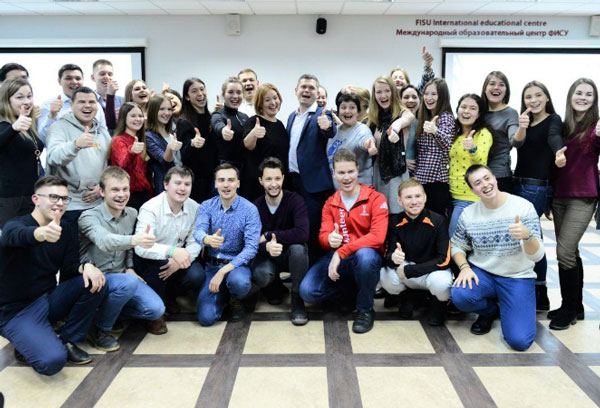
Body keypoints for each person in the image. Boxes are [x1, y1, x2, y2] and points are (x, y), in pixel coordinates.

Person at [0, 176, 107, 375]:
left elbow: (69, 267)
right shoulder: (16, 224)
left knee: (97, 281)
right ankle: (26, 342)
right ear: (36, 199)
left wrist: (87, 266)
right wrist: (40, 234)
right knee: (52, 362)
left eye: (64, 199)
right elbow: (12, 236)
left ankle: (68, 340)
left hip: (48, 298)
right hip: (17, 310)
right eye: (53, 197)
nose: (59, 203)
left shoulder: (66, 228)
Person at [451, 165, 543, 351]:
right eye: (478, 183)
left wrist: (527, 236)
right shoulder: (468, 214)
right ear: (472, 190)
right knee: (460, 295)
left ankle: (513, 304)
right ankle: (490, 311)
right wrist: (465, 268)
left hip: (517, 276)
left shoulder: (523, 207)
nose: (485, 185)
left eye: (487, 178)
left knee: (519, 341)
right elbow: (457, 246)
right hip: (484, 273)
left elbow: (538, 255)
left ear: (495, 178)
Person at [299, 149, 388, 334]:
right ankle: (350, 292)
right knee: (307, 291)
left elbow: (378, 237)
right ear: (334, 174)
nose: (346, 177)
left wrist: (341, 251)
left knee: (365, 256)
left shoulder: (375, 198)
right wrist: (329, 239)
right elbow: (322, 237)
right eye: (341, 172)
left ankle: (365, 309)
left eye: (350, 172)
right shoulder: (330, 202)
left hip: (364, 257)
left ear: (358, 170)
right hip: (339, 259)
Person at [78, 167, 165, 350]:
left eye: (125, 189)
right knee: (127, 283)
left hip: (123, 275)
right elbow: (105, 241)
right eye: (115, 190)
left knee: (156, 309)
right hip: (95, 278)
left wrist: (130, 267)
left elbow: (129, 249)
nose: (121, 195)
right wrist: (136, 240)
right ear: (102, 192)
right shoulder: (88, 216)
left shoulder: (132, 213)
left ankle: (107, 313)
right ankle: (100, 329)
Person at [549, 78, 600, 330]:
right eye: (579, 93)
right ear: (571, 95)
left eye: (589, 94)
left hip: (584, 195)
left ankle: (568, 309)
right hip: (560, 194)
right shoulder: (563, 124)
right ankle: (575, 305)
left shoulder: (596, 125)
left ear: (594, 100)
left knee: (564, 252)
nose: (583, 98)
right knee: (571, 252)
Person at [513, 81, 564, 312]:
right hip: (518, 183)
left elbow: (554, 137)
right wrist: (522, 126)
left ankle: (540, 291)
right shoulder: (525, 121)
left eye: (538, 95)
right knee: (526, 237)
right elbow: (517, 143)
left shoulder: (553, 119)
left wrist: (559, 152)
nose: (533, 100)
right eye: (528, 97)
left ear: (546, 98)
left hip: (536, 187)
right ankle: (534, 290)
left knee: (531, 237)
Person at [134, 166, 204, 333]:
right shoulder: (150, 208)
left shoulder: (195, 207)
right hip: (152, 257)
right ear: (166, 185)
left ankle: (169, 298)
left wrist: (180, 260)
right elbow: (141, 247)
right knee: (160, 265)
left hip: (179, 256)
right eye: (177, 183)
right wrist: (171, 252)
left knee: (197, 275)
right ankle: (154, 315)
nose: (182, 188)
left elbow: (195, 241)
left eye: (187, 184)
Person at [194, 163, 261, 326]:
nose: (226, 185)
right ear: (215, 184)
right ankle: (223, 294)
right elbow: (198, 231)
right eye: (221, 180)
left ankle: (236, 298)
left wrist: (223, 271)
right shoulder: (206, 206)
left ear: (238, 183)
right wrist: (207, 239)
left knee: (239, 283)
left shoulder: (249, 209)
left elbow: (251, 248)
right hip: (212, 265)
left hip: (237, 266)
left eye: (231, 180)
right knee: (206, 318)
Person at [380, 178, 451, 326]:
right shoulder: (394, 222)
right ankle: (408, 296)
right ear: (399, 201)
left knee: (441, 284)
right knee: (385, 276)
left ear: (425, 197)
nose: (414, 202)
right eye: (408, 197)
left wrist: (410, 270)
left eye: (418, 196)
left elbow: (444, 259)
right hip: (407, 270)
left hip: (430, 270)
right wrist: (393, 258)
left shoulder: (439, 220)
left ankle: (438, 303)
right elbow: (388, 254)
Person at [46, 86, 111, 247]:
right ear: (72, 105)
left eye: (91, 102)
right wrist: (75, 145)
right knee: (73, 256)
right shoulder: (59, 127)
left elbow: (110, 164)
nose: (87, 106)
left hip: (98, 204)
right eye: (82, 102)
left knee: (97, 253)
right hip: (71, 206)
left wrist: (103, 187)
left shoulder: (102, 130)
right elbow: (53, 157)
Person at [252, 157, 310, 325]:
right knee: (263, 278)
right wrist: (266, 247)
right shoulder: (255, 207)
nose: (273, 184)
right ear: (261, 181)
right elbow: (252, 241)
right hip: (268, 256)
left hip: (290, 256)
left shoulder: (295, 200)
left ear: (283, 178)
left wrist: (269, 235)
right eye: (268, 179)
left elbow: (302, 234)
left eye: (277, 178)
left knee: (299, 249)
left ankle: (297, 299)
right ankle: (275, 286)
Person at [286, 74, 336, 262]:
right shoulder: (292, 116)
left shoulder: (323, 114)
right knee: (296, 227)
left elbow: (330, 130)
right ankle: (300, 267)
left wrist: (327, 126)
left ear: (317, 93)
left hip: (313, 186)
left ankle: (316, 271)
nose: (307, 91)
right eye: (303, 87)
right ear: (296, 91)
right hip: (293, 182)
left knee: (314, 230)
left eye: (311, 88)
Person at [367, 75, 414, 216]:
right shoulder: (374, 118)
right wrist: (370, 147)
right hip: (377, 172)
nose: (383, 95)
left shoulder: (403, 113)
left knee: (397, 214)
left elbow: (408, 118)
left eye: (387, 91)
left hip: (396, 173)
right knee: (379, 214)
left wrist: (395, 128)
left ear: (393, 92)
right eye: (379, 92)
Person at [0, 78, 44, 227]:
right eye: (20, 97)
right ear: (7, 100)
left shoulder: (27, 125)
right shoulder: (5, 126)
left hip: (31, 195)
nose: (27, 101)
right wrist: (13, 129)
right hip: (9, 199)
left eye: (29, 96)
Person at [448, 94, 493, 236]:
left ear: (479, 114)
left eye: (472, 108)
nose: (466, 111)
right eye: (463, 107)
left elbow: (481, 162)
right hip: (451, 195)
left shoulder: (483, 134)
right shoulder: (455, 134)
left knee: (454, 240)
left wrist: (473, 148)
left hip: (468, 197)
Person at [242, 83, 289, 201]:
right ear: (260, 104)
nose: (273, 103)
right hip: (258, 184)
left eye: (275, 98)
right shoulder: (254, 121)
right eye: (267, 100)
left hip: (278, 183)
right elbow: (248, 145)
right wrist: (254, 134)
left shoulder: (280, 124)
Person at [415, 78, 454, 217]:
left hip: (437, 182)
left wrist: (435, 130)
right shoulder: (424, 116)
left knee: (436, 221)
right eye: (426, 94)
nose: (428, 98)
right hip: (421, 179)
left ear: (442, 96)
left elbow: (449, 145)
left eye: (434, 94)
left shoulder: (446, 117)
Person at [38, 64, 106, 142]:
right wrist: (52, 115)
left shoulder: (95, 105)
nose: (74, 82)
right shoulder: (48, 105)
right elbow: (42, 139)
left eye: (78, 78)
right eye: (68, 78)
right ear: (59, 81)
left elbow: (104, 135)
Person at [176, 77, 217, 203]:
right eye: (194, 91)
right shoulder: (184, 121)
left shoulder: (212, 117)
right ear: (187, 97)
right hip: (197, 181)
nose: (200, 94)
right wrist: (192, 144)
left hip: (214, 177)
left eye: (202, 89)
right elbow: (182, 155)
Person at [108, 102, 152, 210]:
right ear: (124, 118)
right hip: (127, 196)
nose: (138, 119)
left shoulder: (141, 139)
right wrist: (132, 152)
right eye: (133, 116)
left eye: (140, 116)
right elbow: (122, 165)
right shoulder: (119, 140)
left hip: (144, 195)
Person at [327, 93, 376, 188]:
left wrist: (370, 145)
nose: (347, 111)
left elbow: (365, 140)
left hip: (361, 191)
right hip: (340, 192)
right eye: (343, 107)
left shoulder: (362, 129)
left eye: (352, 107)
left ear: (358, 111)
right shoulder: (335, 131)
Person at [480, 71, 518, 192]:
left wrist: (522, 128)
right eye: (492, 84)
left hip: (499, 176)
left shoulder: (511, 113)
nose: (496, 87)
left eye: (501, 84)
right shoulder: (478, 111)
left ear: (506, 91)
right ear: (485, 88)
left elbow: (515, 140)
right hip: (475, 175)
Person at [145, 94, 181, 194]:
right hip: (164, 185)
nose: (167, 113)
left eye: (169, 109)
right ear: (153, 111)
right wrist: (169, 147)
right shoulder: (148, 136)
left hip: (180, 180)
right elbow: (165, 162)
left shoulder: (172, 132)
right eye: (162, 109)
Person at [211, 77, 249, 168]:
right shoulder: (218, 115)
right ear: (223, 95)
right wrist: (224, 131)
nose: (235, 96)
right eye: (230, 92)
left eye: (239, 92)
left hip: (245, 167)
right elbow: (218, 125)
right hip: (225, 168)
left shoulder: (245, 117)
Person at [91, 59, 123, 132]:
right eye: (102, 74)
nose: (107, 77)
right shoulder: (88, 101)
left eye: (110, 74)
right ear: (93, 78)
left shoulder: (122, 101)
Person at [400, 84, 421, 175]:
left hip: (418, 175)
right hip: (399, 173)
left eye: (414, 97)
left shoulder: (421, 123)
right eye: (406, 97)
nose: (411, 100)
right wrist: (402, 160)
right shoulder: (396, 123)